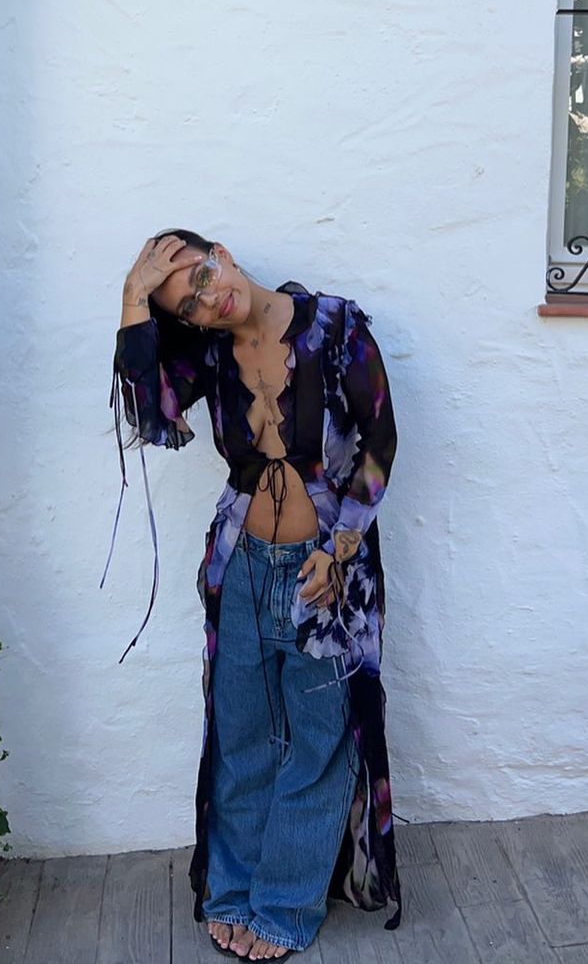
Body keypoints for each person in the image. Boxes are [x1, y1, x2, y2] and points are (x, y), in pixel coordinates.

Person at [110, 230, 401, 960]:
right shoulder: (211, 354)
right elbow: (150, 415)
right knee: (240, 737)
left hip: (326, 570)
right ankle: (233, 892)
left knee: (318, 740)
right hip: (240, 564)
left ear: (224, 254)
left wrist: (340, 548)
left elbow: (379, 441)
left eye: (202, 276)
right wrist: (133, 300)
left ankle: (285, 903)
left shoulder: (336, 326)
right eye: (188, 304)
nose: (207, 299)